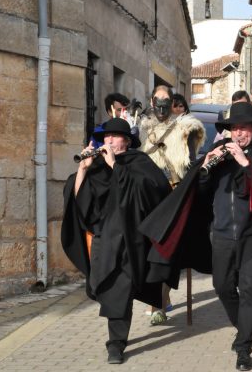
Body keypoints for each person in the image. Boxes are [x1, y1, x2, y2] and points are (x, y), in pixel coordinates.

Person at [141, 102, 252, 370]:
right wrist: (205, 166)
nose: (239, 133)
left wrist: (246, 163)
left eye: (244, 128)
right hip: (221, 235)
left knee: (248, 290)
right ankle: (243, 326)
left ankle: (244, 347)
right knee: (221, 287)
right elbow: (199, 190)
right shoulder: (217, 152)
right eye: (234, 128)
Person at [61, 118, 171, 364]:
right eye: (105, 136)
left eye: (114, 136)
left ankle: (116, 344)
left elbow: (150, 190)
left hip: (132, 240)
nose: (108, 141)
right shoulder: (97, 166)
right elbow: (80, 202)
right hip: (104, 240)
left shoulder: (140, 163)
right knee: (104, 287)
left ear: (127, 141)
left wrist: (115, 166)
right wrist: (84, 169)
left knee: (120, 289)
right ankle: (118, 334)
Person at [138, 86, 206, 324]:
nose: (163, 106)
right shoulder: (142, 131)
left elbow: (190, 165)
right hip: (148, 199)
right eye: (159, 101)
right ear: (152, 101)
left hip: (173, 198)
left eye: (168, 101)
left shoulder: (185, 130)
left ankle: (159, 303)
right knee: (146, 251)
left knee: (164, 252)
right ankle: (157, 300)